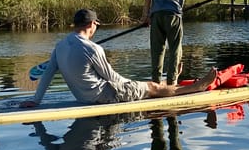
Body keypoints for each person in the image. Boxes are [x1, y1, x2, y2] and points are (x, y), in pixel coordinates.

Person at [20, 9, 217, 109]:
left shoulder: (60, 46)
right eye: (96, 24)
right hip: (105, 96)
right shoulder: (93, 48)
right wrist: (136, 85)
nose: (96, 27)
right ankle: (198, 87)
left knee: (151, 85)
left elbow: (46, 74)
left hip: (83, 98)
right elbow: (113, 80)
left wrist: (36, 100)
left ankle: (167, 83)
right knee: (152, 87)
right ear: (91, 24)